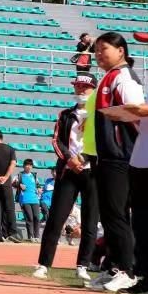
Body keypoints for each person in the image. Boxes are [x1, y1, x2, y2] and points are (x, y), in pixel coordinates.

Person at [88, 32, 144, 292]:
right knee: (110, 214)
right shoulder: (108, 77)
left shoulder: (123, 77)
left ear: (121, 51)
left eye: (104, 49)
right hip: (108, 154)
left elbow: (137, 112)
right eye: (96, 50)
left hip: (121, 154)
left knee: (117, 213)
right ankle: (114, 268)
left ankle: (128, 270)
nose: (99, 54)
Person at [33, 72, 99, 281]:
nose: (80, 90)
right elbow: (56, 141)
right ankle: (43, 264)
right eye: (77, 86)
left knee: (90, 221)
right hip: (68, 171)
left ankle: (83, 265)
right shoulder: (65, 114)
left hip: (92, 171)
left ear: (94, 90)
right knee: (56, 218)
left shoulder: (101, 114)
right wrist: (70, 159)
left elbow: (102, 142)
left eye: (84, 87)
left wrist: (85, 160)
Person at [101, 31, 148, 294]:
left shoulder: (128, 78)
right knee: (141, 220)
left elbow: (143, 109)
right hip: (141, 156)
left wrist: (139, 110)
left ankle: (132, 269)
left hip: (137, 157)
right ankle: (143, 274)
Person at [14, 159, 41, 242]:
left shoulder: (34, 175)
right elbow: (13, 184)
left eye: (30, 165)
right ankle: (31, 236)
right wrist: (19, 185)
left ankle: (37, 236)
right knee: (30, 218)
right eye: (27, 165)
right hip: (25, 199)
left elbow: (38, 185)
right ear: (24, 166)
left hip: (35, 199)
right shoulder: (19, 175)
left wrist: (39, 189)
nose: (28, 167)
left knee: (36, 217)